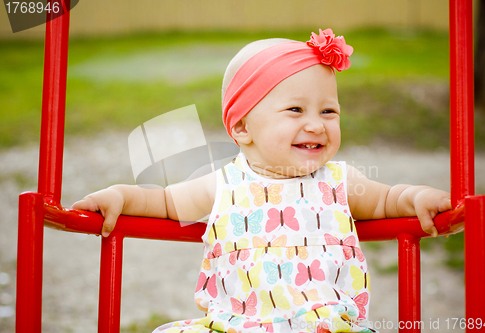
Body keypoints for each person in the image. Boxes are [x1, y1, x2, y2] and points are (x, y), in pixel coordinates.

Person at [72, 29, 451, 333]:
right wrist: (120, 195)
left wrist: (415, 197)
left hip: (325, 325)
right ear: (241, 127)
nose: (316, 124)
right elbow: (165, 203)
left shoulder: (338, 181)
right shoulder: (222, 185)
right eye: (295, 110)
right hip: (240, 325)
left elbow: (388, 201)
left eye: (329, 110)